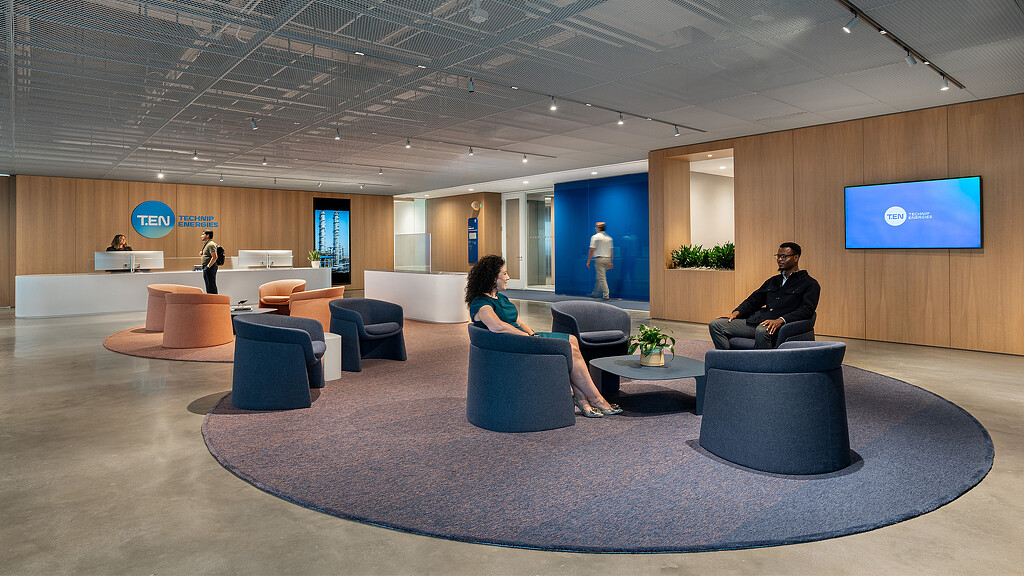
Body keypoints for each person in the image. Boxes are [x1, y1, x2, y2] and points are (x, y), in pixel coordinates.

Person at [466, 254, 622, 418]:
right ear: (492, 278)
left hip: (525, 338)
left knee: (572, 340)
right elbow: (497, 326)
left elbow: (518, 321)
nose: (508, 277)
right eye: (504, 274)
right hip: (515, 344)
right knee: (570, 348)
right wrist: (526, 337)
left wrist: (532, 333)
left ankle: (582, 398)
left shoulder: (501, 298)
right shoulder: (481, 302)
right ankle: (596, 399)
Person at [709, 242, 820, 350]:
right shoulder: (773, 281)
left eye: (784, 257)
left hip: (781, 327)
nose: (780, 260)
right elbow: (753, 300)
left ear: (796, 257)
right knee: (716, 325)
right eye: (778, 256)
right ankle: (727, 361)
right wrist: (735, 313)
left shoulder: (810, 284)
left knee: (762, 330)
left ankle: (764, 367)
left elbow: (807, 310)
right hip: (759, 322)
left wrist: (780, 320)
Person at [586, 222, 613, 300]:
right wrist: (611, 261)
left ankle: (606, 295)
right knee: (599, 277)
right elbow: (611, 250)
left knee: (601, 278)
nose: (595, 228)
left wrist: (588, 260)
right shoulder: (609, 238)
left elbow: (592, 249)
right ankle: (595, 293)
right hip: (607, 259)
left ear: (598, 228)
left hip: (599, 259)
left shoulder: (595, 237)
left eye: (596, 227)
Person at [199, 229, 219, 294]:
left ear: (207, 235)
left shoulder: (211, 244)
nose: (201, 236)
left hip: (210, 267)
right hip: (207, 267)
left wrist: (208, 266)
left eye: (203, 234)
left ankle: (214, 301)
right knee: (208, 285)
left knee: (211, 285)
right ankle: (211, 300)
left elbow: (215, 257)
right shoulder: (207, 244)